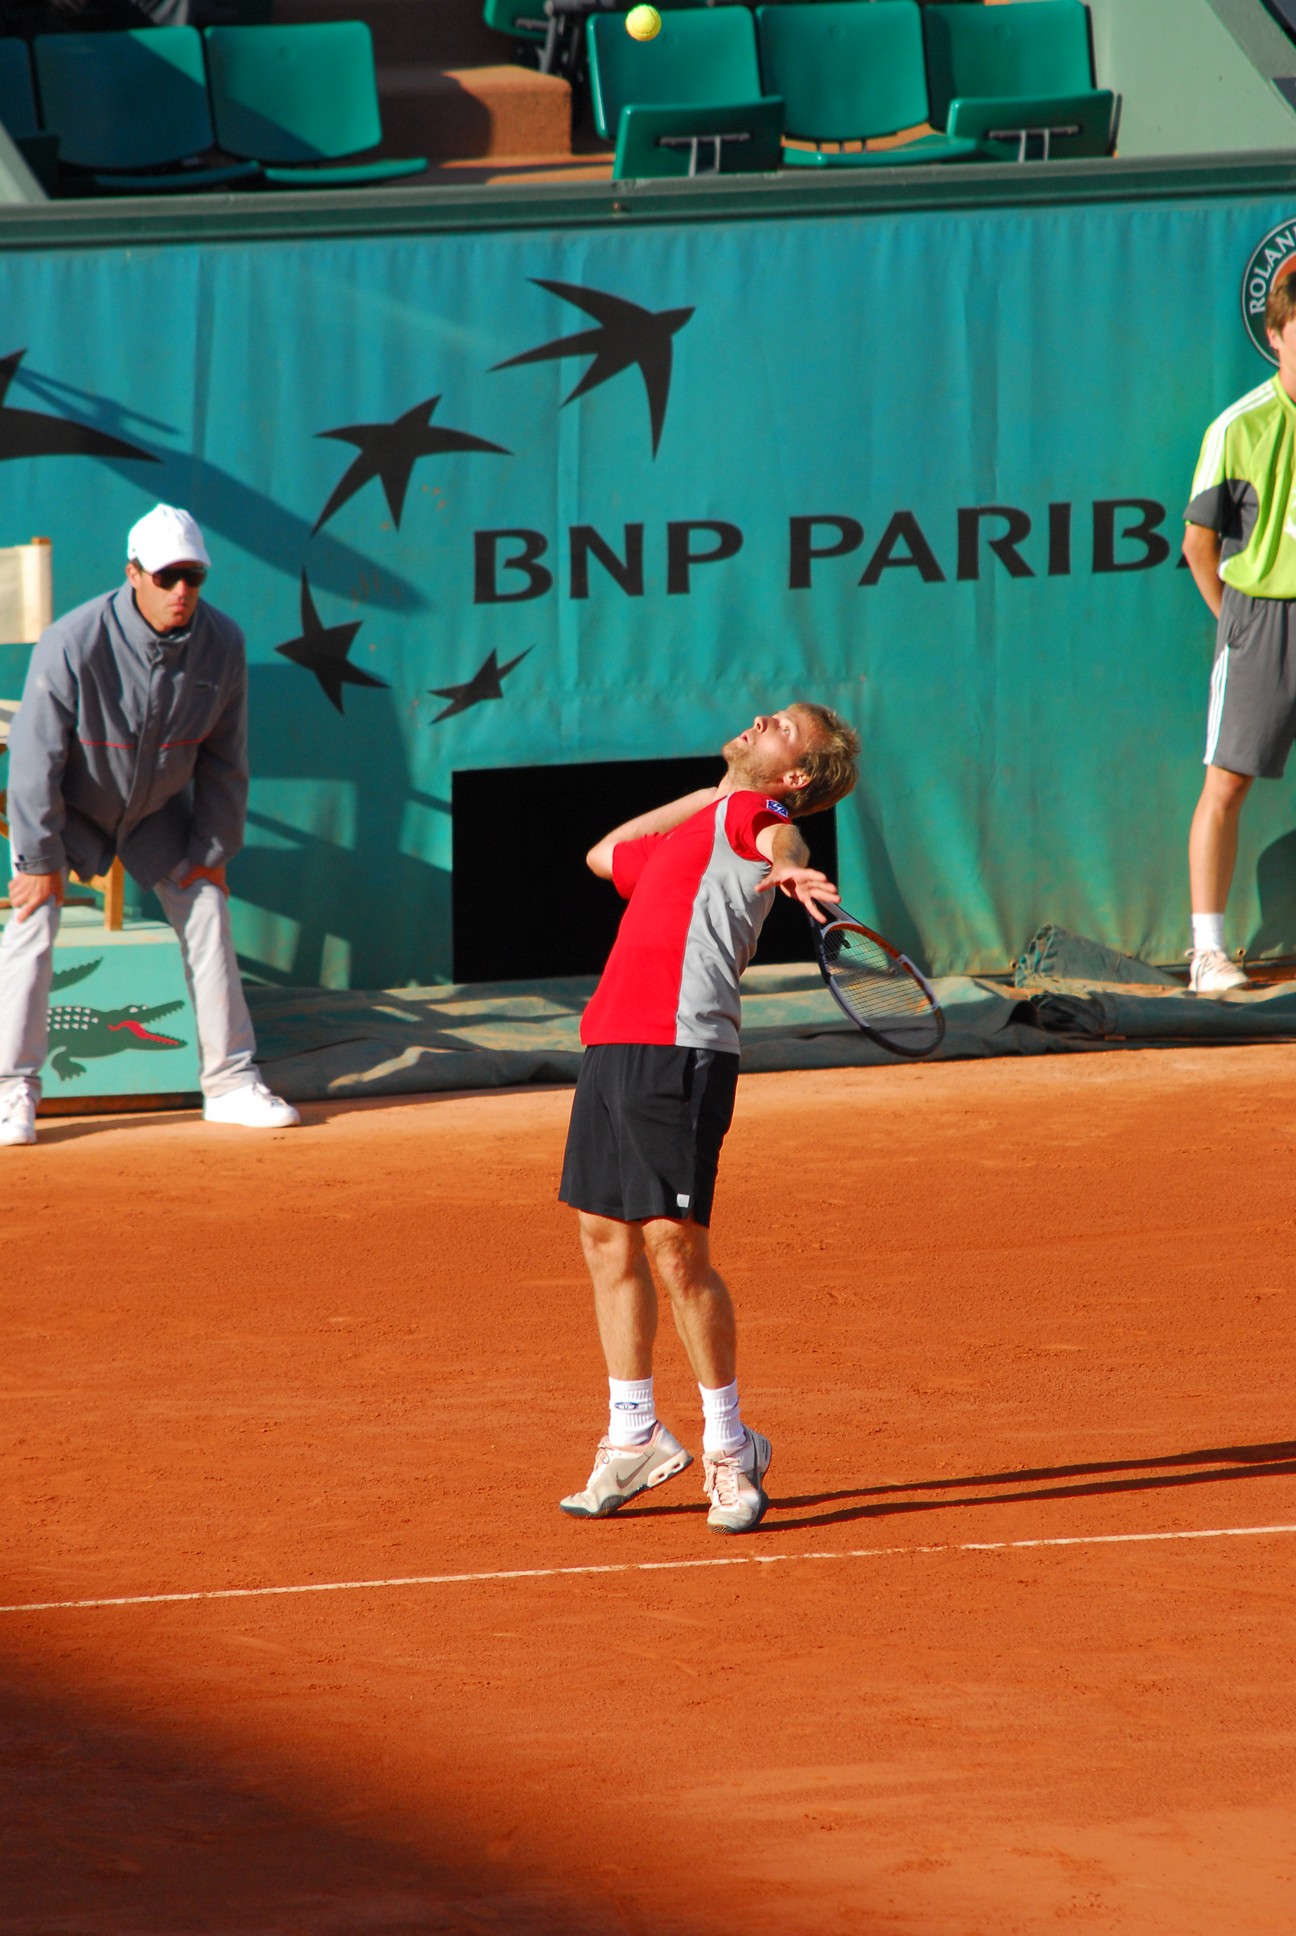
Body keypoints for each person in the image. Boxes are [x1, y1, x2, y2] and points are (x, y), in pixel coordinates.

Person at [557, 702, 860, 1534]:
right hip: (613, 1038)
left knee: (674, 1249)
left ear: (793, 777)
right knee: (603, 1235)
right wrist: (709, 789)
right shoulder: (714, 814)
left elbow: (779, 838)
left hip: (681, 1048)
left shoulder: (758, 817)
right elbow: (601, 855)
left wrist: (792, 861)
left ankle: (731, 1448)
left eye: (784, 728)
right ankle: (634, 1434)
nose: (764, 718)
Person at [0, 503, 300, 1146]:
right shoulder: (72, 640)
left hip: (159, 814)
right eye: (167, 577)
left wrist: (214, 849)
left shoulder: (224, 642)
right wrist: (37, 859)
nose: (182, 592)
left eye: (194, 577)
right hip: (74, 809)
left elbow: (226, 758)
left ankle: (230, 1083)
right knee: (31, 920)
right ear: (133, 573)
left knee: (208, 909)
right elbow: (33, 759)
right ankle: (10, 1093)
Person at [1183, 269, 1296, 993]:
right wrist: (1236, 625)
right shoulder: (1237, 426)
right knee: (1225, 785)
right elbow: (1198, 544)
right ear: (1278, 337)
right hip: (1260, 617)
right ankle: (1207, 954)